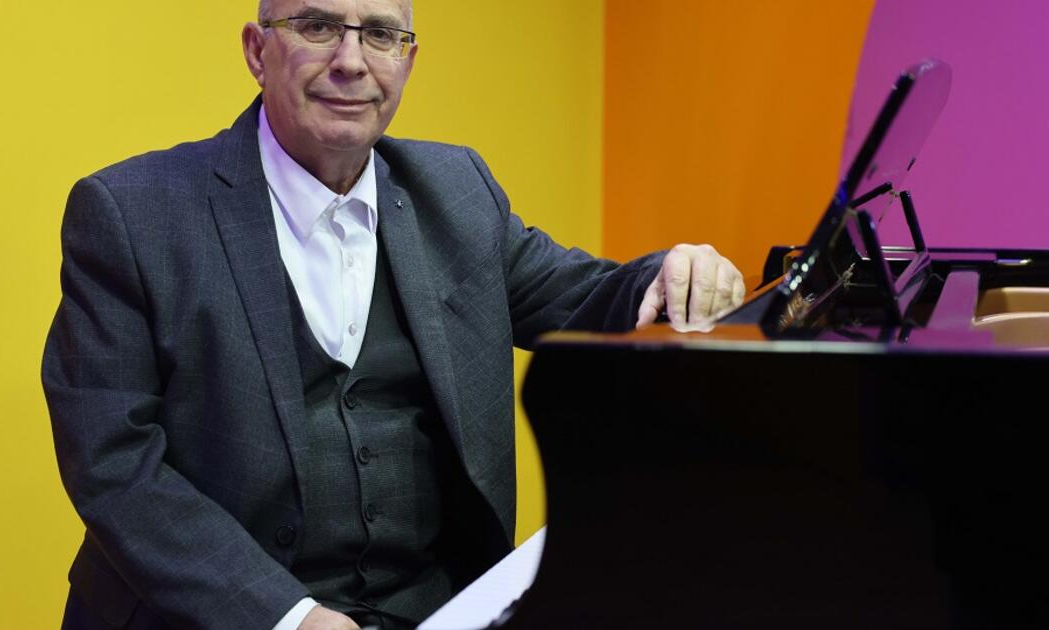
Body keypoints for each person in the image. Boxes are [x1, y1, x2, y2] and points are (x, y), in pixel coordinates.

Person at [42, 1, 745, 628]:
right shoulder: (133, 214)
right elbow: (114, 465)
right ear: (257, 50)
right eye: (317, 26)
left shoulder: (458, 192)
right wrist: (289, 618)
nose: (351, 61)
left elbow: (590, 297)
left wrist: (672, 275)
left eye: (380, 34)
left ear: (407, 61)